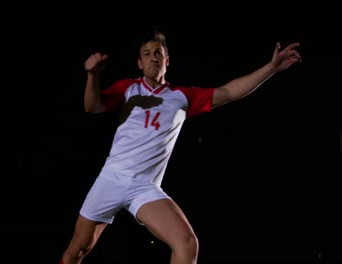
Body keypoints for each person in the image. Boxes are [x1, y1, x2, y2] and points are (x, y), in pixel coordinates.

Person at [60, 30, 302, 264]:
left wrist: (271, 68)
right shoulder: (128, 89)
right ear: (139, 63)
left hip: (144, 187)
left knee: (187, 244)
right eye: (146, 53)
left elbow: (228, 92)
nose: (153, 57)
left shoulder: (182, 97)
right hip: (111, 178)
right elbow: (92, 106)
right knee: (76, 251)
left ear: (167, 60)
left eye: (158, 53)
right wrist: (92, 75)